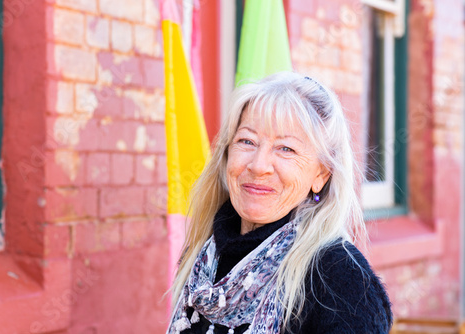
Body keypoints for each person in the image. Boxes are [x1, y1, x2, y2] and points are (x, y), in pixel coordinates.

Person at [167, 72, 392, 334]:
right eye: (247, 141)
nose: (258, 165)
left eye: (286, 149)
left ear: (321, 175)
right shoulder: (203, 258)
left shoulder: (341, 282)